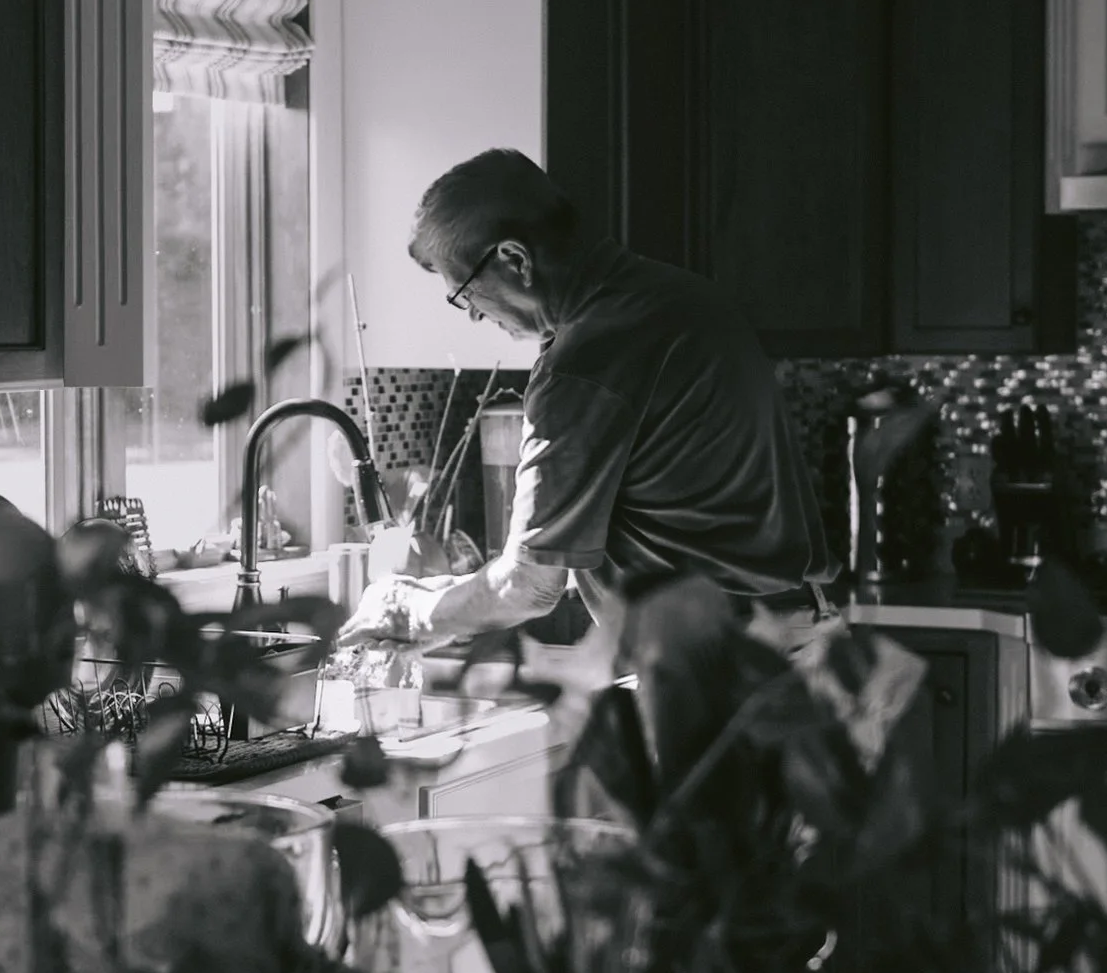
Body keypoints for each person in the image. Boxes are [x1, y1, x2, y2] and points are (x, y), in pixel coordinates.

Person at [339, 148, 833, 649]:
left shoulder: (582, 368)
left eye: (465, 292)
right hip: (797, 638)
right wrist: (443, 593)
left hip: (724, 660)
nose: (471, 314)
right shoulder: (681, 299)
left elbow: (528, 587)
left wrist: (410, 614)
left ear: (514, 260)